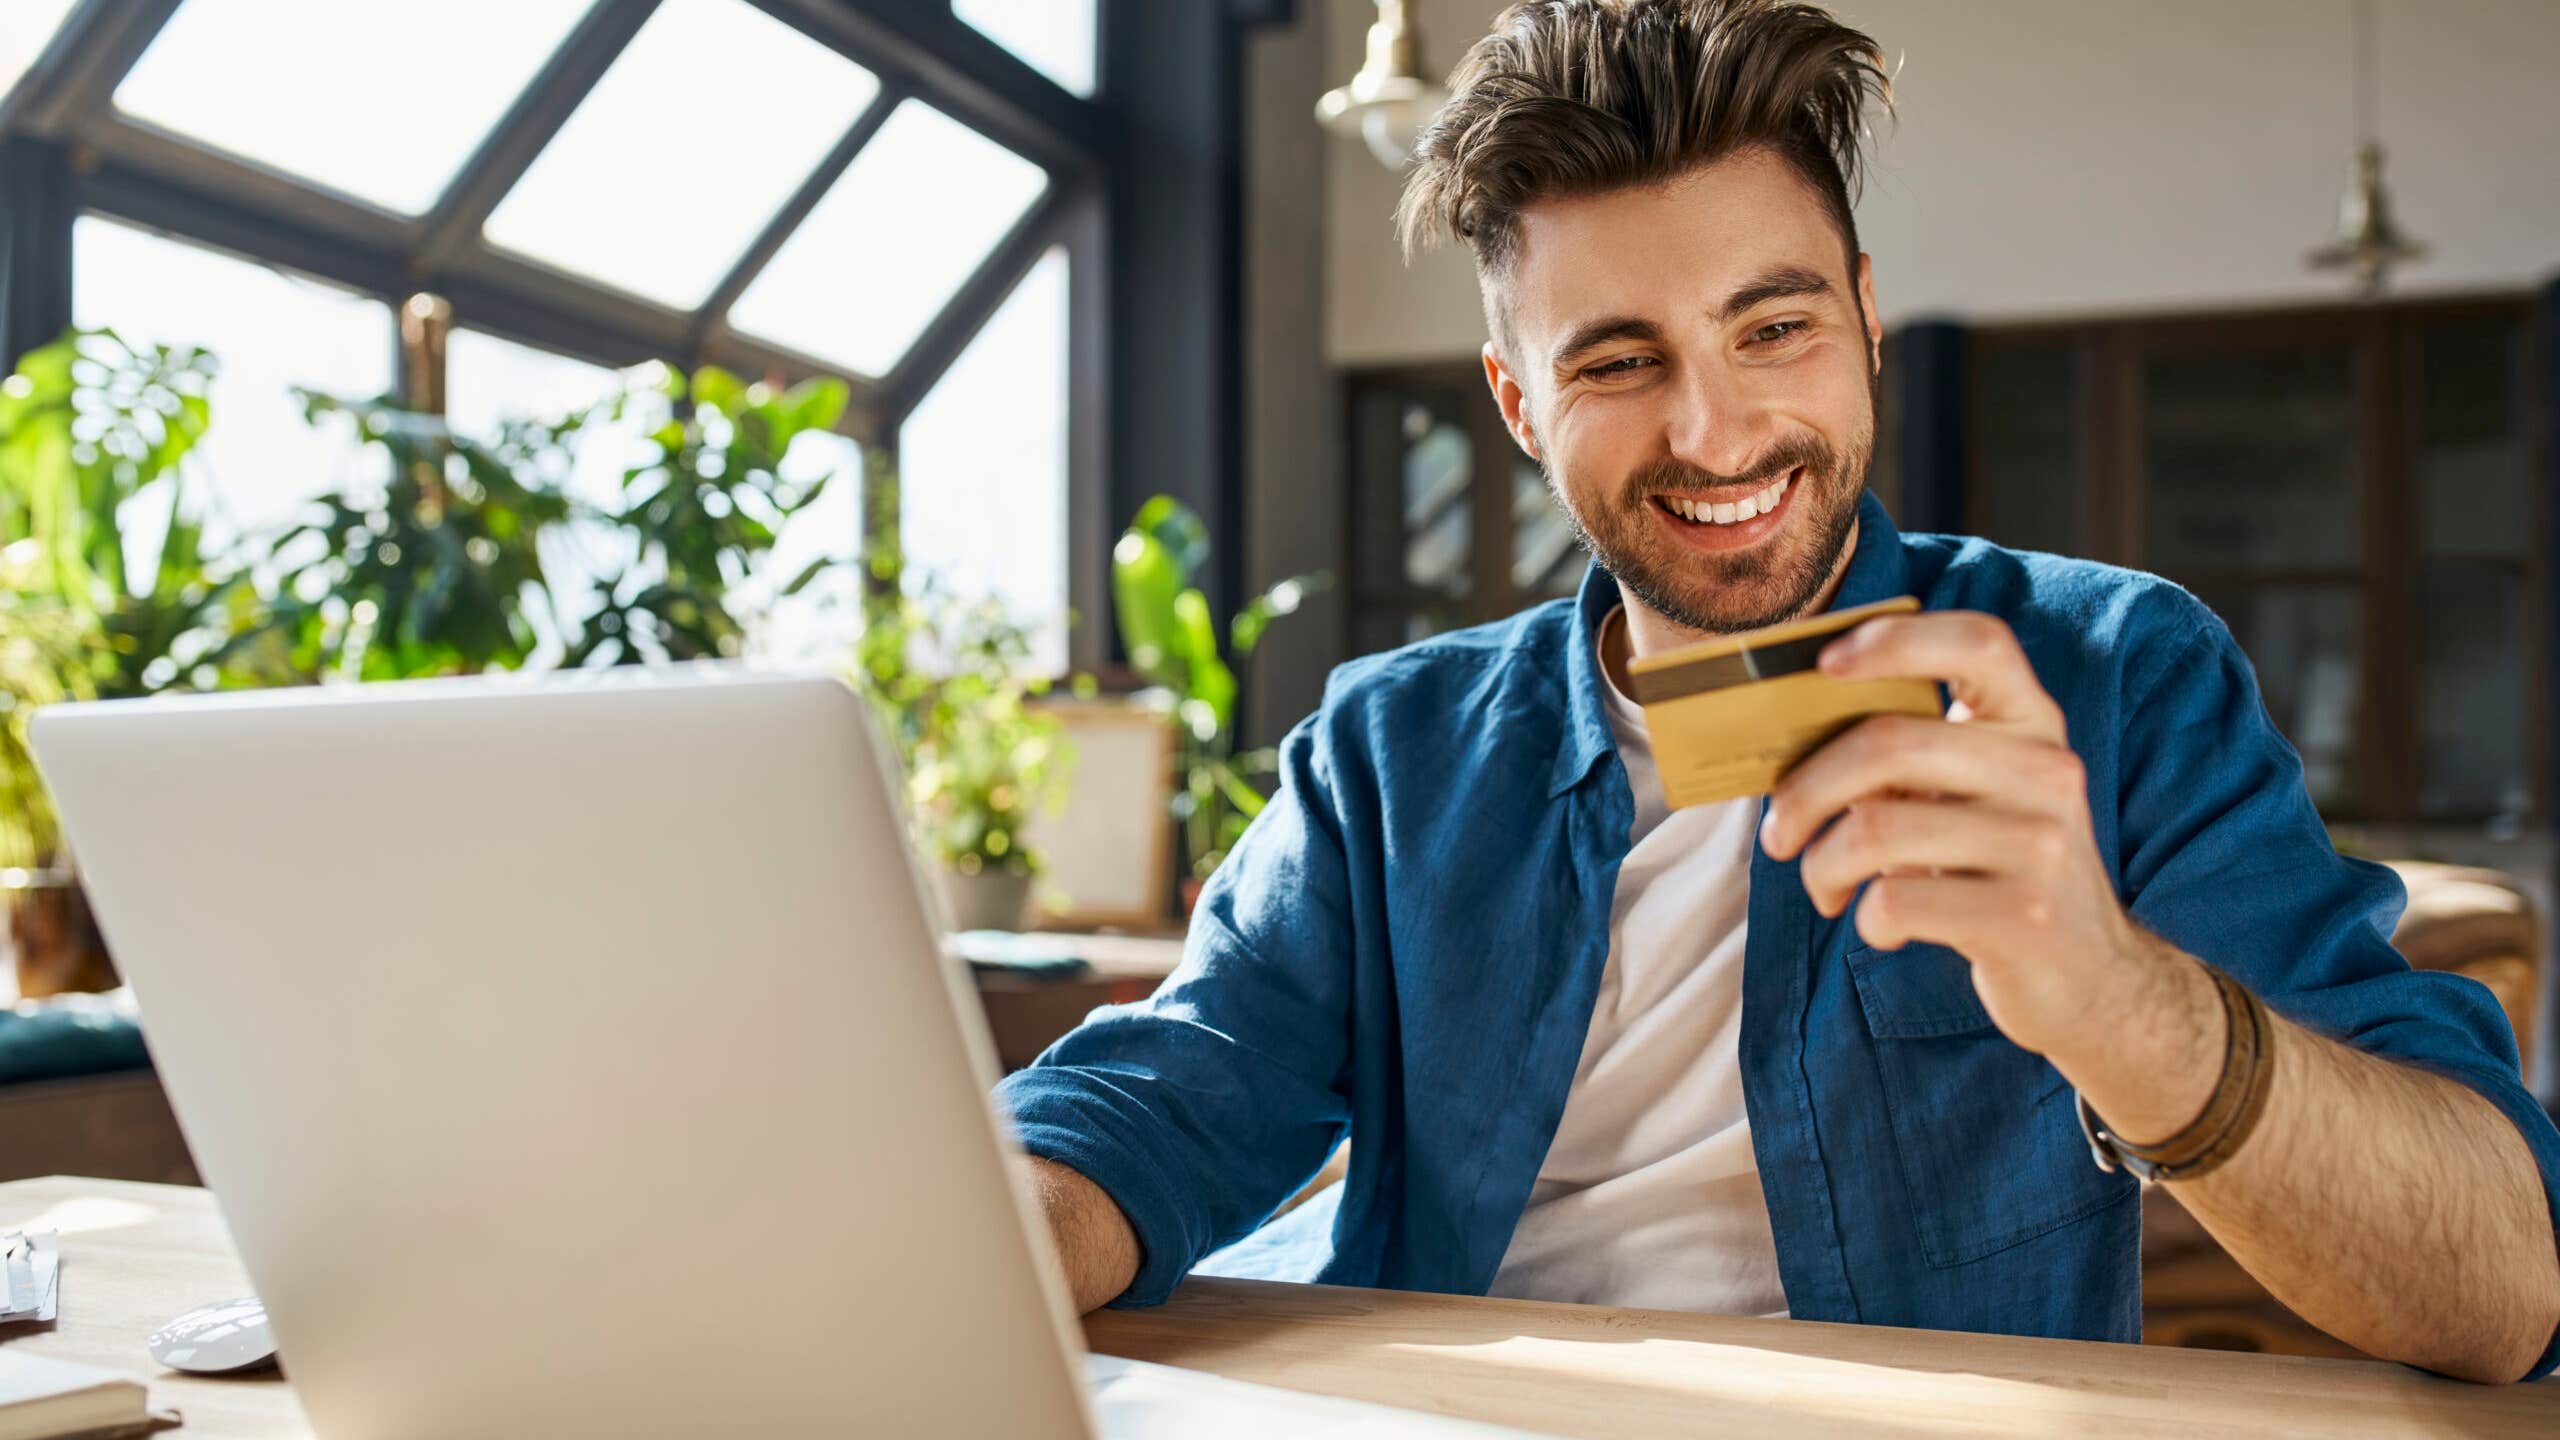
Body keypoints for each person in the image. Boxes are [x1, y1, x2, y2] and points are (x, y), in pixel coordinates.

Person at [998, 0, 2560, 1383]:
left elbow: (2501, 1297)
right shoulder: (1387, 749)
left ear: (1866, 316)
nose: (1718, 431)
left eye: (1775, 327)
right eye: (1617, 362)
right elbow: (1171, 1096)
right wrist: (978, 1232)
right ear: (1518, 404)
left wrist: (2113, 996)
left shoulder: (2117, 673)